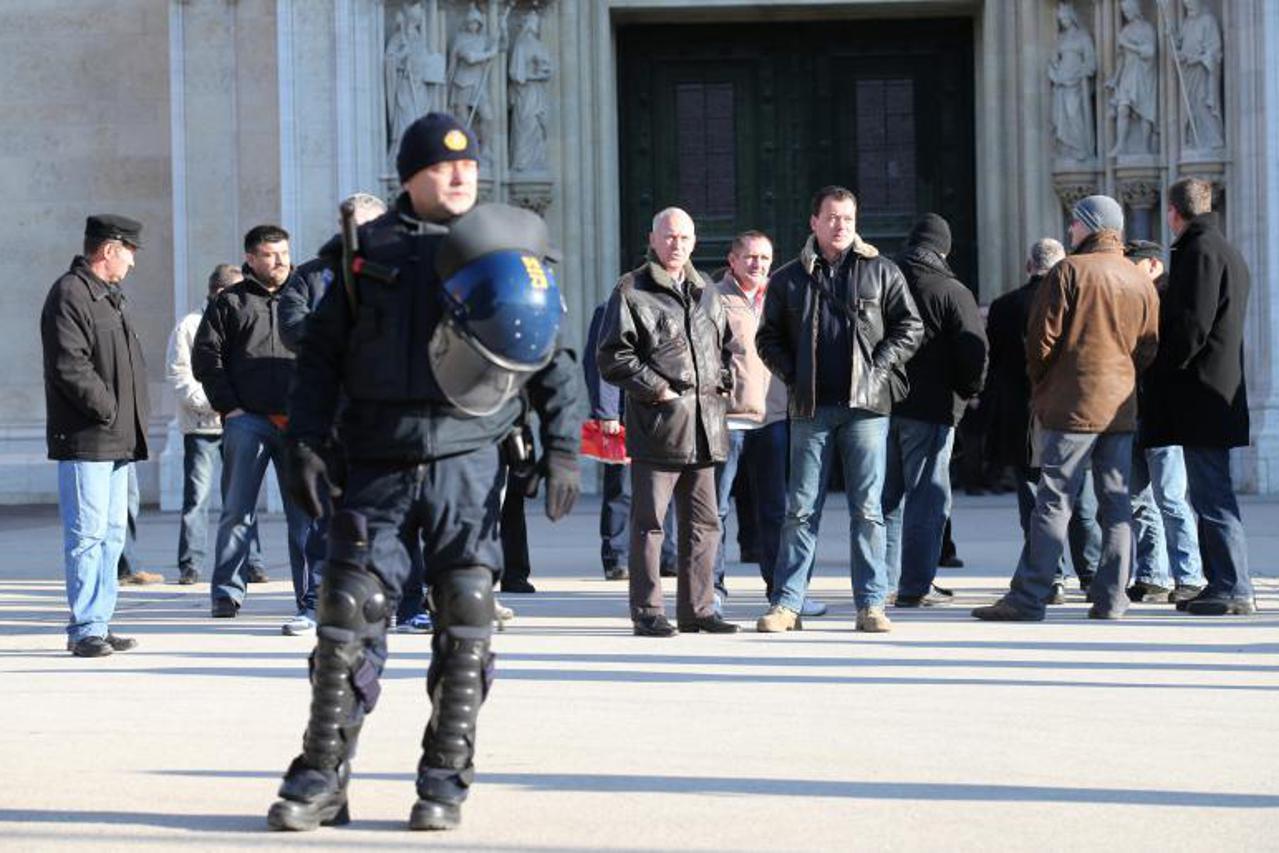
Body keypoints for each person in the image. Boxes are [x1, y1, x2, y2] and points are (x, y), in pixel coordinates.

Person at [267, 112, 582, 832]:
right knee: (346, 611)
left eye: (469, 164)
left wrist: (563, 447)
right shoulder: (363, 251)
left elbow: (549, 354)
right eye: (443, 166)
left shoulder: (504, 247)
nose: (461, 174)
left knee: (467, 612)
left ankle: (444, 779)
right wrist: (305, 441)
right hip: (376, 459)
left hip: (467, 460)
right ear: (410, 176)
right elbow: (320, 357)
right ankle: (320, 776)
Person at [973, 195, 1158, 621]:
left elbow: (1041, 341)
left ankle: (1030, 596)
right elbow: (1148, 347)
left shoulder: (1069, 271)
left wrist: (1044, 383)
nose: (1070, 229)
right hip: (1119, 407)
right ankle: (1111, 598)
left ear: (1091, 225)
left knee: (1054, 500)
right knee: (1116, 504)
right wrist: (1123, 376)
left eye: (1075, 222)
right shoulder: (1138, 279)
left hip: (1072, 406)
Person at [755, 186, 923, 634]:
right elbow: (766, 337)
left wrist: (879, 368)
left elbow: (910, 326)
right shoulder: (789, 278)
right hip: (810, 409)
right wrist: (794, 375)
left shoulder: (881, 271)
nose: (840, 226)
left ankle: (871, 605)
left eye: (847, 218)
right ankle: (786, 604)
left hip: (866, 408)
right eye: (831, 217)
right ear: (814, 222)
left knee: (867, 510)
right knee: (800, 510)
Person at [597, 207, 739, 637]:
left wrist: (723, 381)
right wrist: (657, 389)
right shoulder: (632, 289)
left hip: (705, 428)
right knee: (650, 525)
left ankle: (698, 609)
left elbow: (724, 346)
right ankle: (647, 612)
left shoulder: (706, 289)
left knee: (706, 524)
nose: (677, 245)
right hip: (659, 426)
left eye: (685, 237)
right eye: (670, 236)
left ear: (695, 242)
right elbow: (613, 356)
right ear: (653, 240)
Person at [1141, 177, 1255, 615]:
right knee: (1209, 493)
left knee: (1212, 495)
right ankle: (1221, 582)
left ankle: (1233, 586)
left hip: (1202, 392)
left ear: (1173, 212)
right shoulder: (1224, 249)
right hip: (1215, 389)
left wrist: (1159, 366)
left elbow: (1192, 326)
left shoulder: (1200, 252)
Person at [192, 225, 313, 632]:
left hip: (299, 423)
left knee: (305, 515)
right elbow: (207, 357)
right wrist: (230, 406)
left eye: (284, 253)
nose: (279, 261)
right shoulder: (230, 302)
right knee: (237, 510)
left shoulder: (308, 296)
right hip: (249, 421)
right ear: (250, 258)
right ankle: (227, 593)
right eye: (269, 254)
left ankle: (309, 598)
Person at [279, 193, 391, 628]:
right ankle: (316, 603)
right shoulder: (310, 276)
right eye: (351, 227)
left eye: (366, 227)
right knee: (324, 516)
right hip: (331, 415)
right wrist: (343, 331)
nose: (357, 236)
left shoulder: (401, 273)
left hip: (388, 414)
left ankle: (408, 603)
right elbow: (293, 328)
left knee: (396, 516)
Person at [40, 215, 148, 657]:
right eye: (130, 253)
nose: (133, 263)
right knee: (86, 536)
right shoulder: (71, 292)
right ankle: (85, 628)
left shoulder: (109, 295)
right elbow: (70, 365)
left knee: (112, 536)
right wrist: (109, 409)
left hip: (118, 438)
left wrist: (127, 420)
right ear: (109, 249)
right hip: (87, 437)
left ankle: (99, 621)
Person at [984, 238, 1100, 601]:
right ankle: (1091, 574)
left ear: (1028, 266)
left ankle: (1050, 576)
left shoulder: (1004, 307)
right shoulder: (1079, 302)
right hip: (1072, 411)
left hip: (1023, 414)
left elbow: (996, 363)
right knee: (1081, 497)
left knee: (1034, 499)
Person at [882, 213, 987, 607]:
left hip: (879, 407)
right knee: (926, 500)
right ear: (944, 249)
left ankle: (880, 583)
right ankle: (915, 585)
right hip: (931, 409)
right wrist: (968, 391)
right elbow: (973, 351)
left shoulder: (881, 281)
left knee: (884, 500)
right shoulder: (950, 290)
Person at [167, 263, 267, 586]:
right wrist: (222, 403)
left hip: (239, 423)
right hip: (203, 427)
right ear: (220, 292)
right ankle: (191, 564)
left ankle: (253, 562)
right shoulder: (189, 326)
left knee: (242, 496)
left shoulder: (244, 316)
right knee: (197, 498)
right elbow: (181, 378)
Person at [711, 231, 793, 612]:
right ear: (733, 260)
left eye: (764, 258)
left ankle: (782, 592)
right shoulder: (713, 298)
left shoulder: (781, 296)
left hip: (772, 418)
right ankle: (711, 591)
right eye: (750, 257)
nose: (758, 264)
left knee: (775, 510)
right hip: (728, 420)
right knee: (716, 511)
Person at [1122, 239, 1207, 604]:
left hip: (1163, 415)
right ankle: (1151, 576)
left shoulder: (1169, 301)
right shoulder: (1132, 300)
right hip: (1133, 411)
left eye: (1133, 266)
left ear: (1153, 265)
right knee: (1139, 500)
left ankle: (1189, 576)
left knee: (1171, 498)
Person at [583, 299, 678, 581]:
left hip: (666, 410)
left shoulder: (673, 304)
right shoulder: (612, 308)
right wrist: (607, 411)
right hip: (624, 415)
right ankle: (617, 557)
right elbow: (600, 362)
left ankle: (668, 555)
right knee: (622, 490)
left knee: (667, 487)